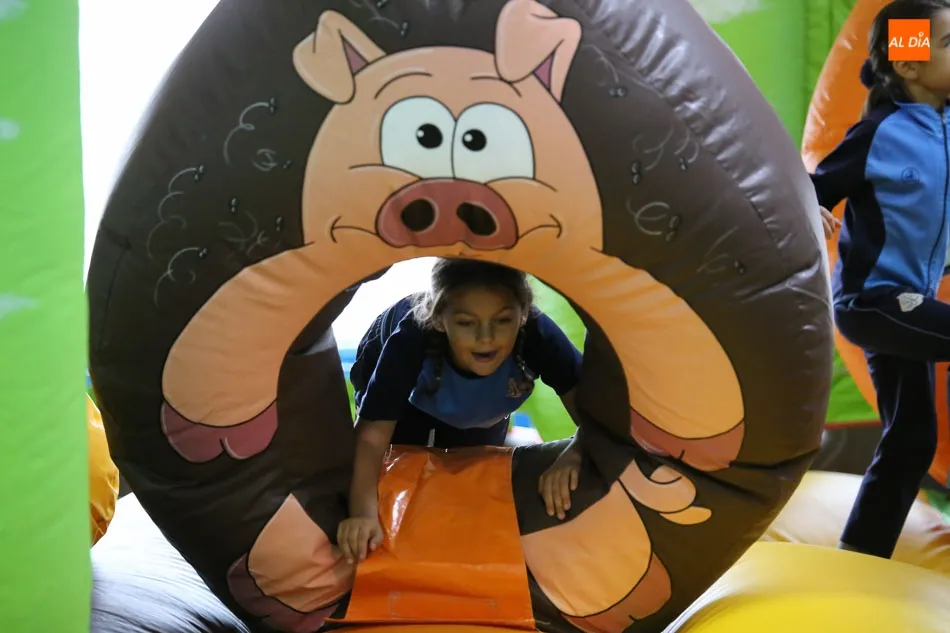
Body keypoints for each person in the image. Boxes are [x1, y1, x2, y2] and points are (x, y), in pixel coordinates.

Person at [809, 0, 950, 559]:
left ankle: (860, 555)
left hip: (909, 304)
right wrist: (809, 207)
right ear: (910, 66)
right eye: (948, 44)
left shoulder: (945, 127)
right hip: (873, 302)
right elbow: (816, 187)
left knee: (912, 439)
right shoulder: (879, 133)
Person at [338, 258, 586, 563]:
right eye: (467, 323)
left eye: (502, 321)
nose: (486, 337)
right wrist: (361, 516)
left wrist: (576, 451)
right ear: (440, 319)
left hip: (484, 400)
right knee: (399, 466)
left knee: (473, 471)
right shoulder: (410, 339)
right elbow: (371, 438)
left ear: (523, 314)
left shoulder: (537, 333)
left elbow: (595, 414)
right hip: (408, 386)